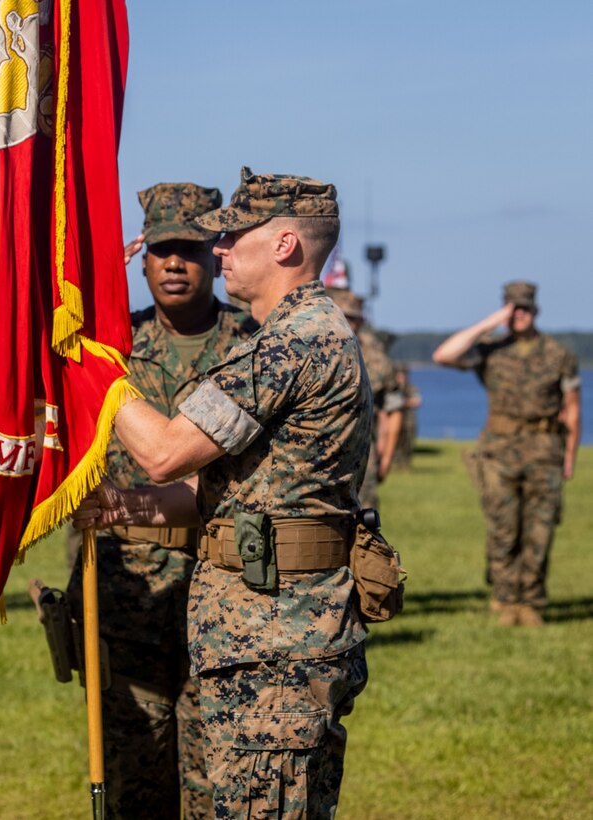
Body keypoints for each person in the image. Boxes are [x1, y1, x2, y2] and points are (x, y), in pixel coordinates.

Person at [74, 167, 372, 817]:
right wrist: (109, 509)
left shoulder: (289, 344)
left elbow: (160, 453)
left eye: (233, 236)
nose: (218, 251)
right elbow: (208, 499)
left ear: (285, 245)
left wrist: (88, 364)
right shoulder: (303, 334)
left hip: (274, 641)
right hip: (264, 633)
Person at [60, 182, 254, 818]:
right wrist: (86, 283)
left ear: (216, 255)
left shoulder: (254, 345)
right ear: (140, 257)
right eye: (163, 250)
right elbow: (17, 353)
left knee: (216, 784)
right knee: (134, 782)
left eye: (192, 250)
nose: (176, 264)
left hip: (227, 590)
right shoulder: (105, 346)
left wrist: (125, 506)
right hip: (127, 594)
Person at [432, 281, 581, 627]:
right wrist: (489, 323)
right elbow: (444, 355)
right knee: (503, 530)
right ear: (505, 311)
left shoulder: (559, 355)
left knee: (540, 530)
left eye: (524, 309)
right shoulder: (491, 350)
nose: (519, 315)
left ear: (535, 311)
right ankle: (503, 598)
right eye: (513, 309)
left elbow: (572, 410)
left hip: (545, 452)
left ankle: (531, 601)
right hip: (499, 453)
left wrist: (569, 457)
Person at [326, 286, 404, 510]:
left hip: (361, 457)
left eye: (355, 319)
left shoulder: (375, 357)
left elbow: (393, 408)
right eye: (344, 316)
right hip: (316, 455)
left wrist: (386, 458)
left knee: (364, 523)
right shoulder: (312, 348)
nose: (350, 324)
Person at [391, 363, 421, 471]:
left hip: (408, 421)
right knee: (395, 444)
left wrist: (402, 402)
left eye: (404, 375)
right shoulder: (392, 388)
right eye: (399, 376)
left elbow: (417, 401)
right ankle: (395, 465)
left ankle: (405, 465)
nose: (402, 378)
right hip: (394, 423)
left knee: (407, 444)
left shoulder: (411, 388)